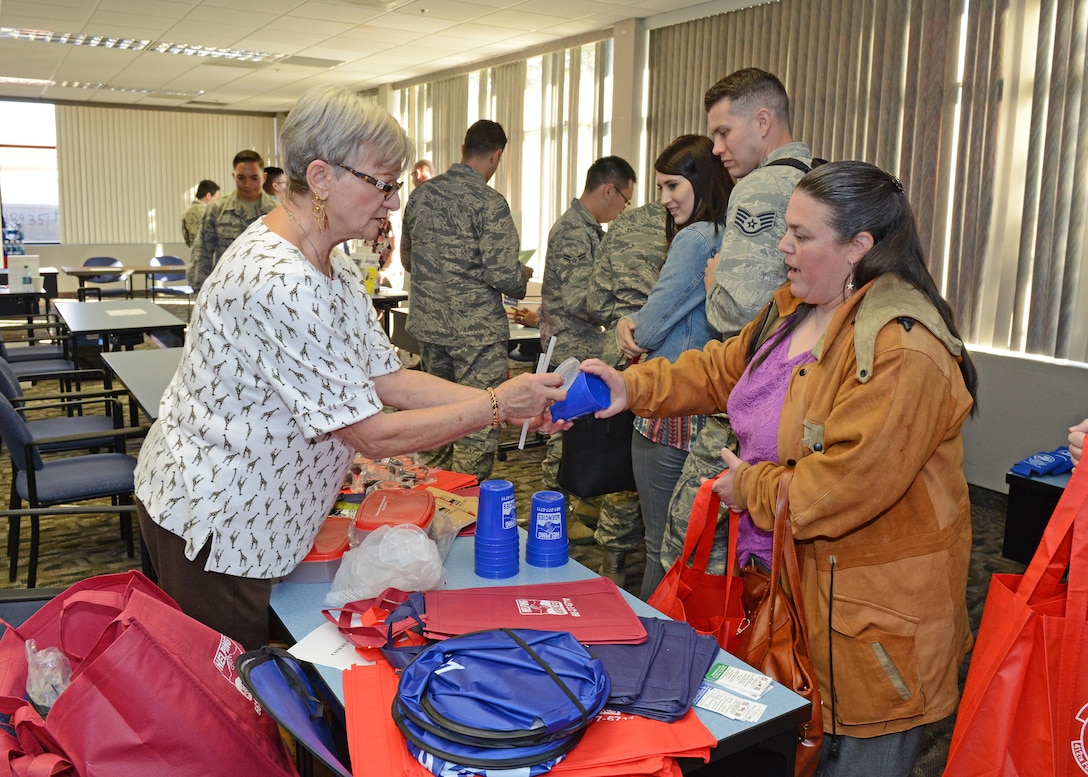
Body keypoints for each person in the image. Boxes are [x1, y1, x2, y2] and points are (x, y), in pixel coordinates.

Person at [575, 161, 978, 777]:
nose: (782, 246)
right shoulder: (795, 306)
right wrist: (629, 388)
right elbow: (720, 368)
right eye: (784, 229)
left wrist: (748, 486)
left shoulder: (903, 348)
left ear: (858, 248)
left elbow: (835, 490)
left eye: (801, 234)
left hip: (871, 636)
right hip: (793, 598)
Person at [134, 86, 565, 651]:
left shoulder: (329, 264)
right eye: (382, 185)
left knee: (266, 683)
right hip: (219, 521)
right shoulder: (279, 280)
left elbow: (388, 379)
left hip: (260, 512)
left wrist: (505, 399)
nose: (392, 203)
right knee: (235, 704)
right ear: (321, 178)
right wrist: (494, 407)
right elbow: (369, 433)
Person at [660, 67, 820, 578]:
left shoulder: (760, 188)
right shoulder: (821, 178)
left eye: (724, 131)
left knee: (688, 545)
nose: (716, 147)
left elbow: (738, 313)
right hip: (803, 397)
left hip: (750, 391)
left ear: (764, 121)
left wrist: (712, 283)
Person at [614, 135, 733, 598]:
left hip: (670, 414)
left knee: (661, 545)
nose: (663, 200)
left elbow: (650, 326)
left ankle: (651, 644)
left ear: (701, 181)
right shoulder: (731, 235)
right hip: (707, 409)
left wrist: (630, 325)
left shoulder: (697, 238)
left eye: (672, 186)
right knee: (691, 547)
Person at [402, 120, 533, 481]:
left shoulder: (420, 195)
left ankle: (427, 500)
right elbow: (502, 275)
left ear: (463, 149)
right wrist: (521, 274)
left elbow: (408, 260)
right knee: (478, 420)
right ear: (496, 155)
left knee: (435, 419)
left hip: (430, 329)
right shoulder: (490, 203)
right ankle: (463, 509)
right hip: (476, 334)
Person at [538, 155, 638, 549]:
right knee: (562, 434)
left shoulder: (587, 228)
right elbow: (581, 297)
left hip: (579, 342)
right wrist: (622, 313)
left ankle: (567, 512)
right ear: (609, 189)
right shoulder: (576, 232)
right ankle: (552, 516)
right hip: (572, 345)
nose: (623, 209)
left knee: (574, 435)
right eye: (625, 200)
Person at [583, 201, 668, 584]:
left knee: (618, 455)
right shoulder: (711, 225)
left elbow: (596, 301)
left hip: (620, 349)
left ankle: (612, 559)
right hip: (672, 360)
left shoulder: (626, 222)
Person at [189, 150, 279, 292]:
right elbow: (202, 251)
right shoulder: (216, 209)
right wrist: (200, 290)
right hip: (225, 289)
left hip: (262, 290)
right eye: (241, 178)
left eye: (254, 178)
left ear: (264, 177)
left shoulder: (276, 212)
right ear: (233, 176)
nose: (247, 184)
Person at [181, 179, 219, 247]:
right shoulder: (210, 212)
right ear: (208, 196)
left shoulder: (187, 212)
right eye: (216, 198)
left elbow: (186, 238)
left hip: (194, 254)